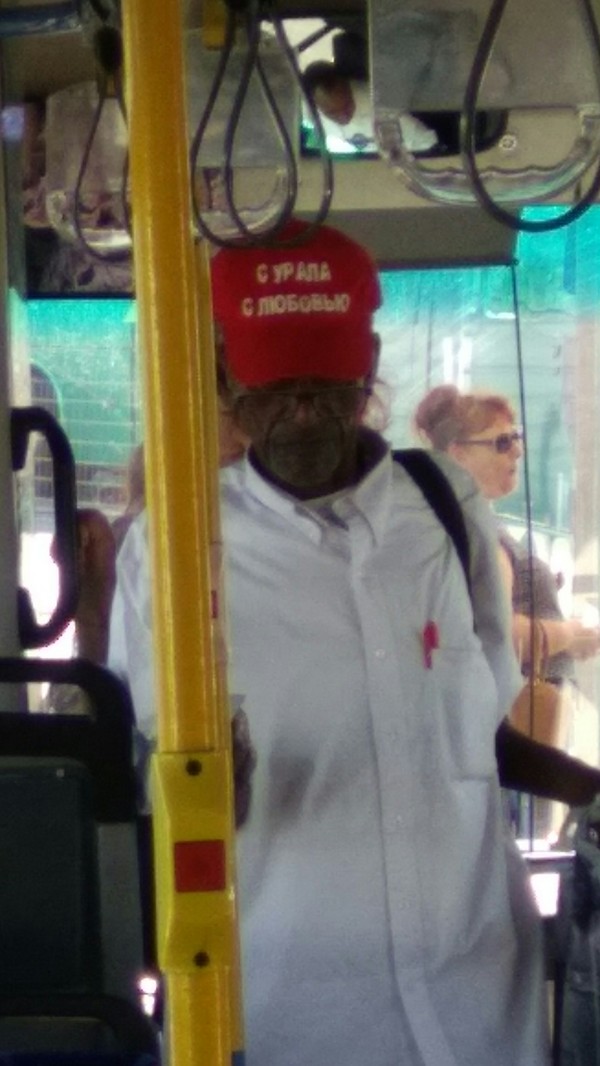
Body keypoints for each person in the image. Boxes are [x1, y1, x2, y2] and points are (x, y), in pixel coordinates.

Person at [102, 218, 600, 1066]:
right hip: (285, 1014)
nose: (300, 417)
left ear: (367, 368)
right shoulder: (177, 548)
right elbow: (138, 782)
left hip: (482, 999)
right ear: (225, 377)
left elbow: (478, 735)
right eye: (271, 390)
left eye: (325, 389)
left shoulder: (444, 509)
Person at [414, 384, 600, 837]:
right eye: (501, 442)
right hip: (514, 727)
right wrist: (570, 635)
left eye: (516, 438)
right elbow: (494, 633)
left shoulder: (475, 528)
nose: (515, 451)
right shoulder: (476, 537)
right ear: (457, 454)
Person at [301, 59, 438, 154]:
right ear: (315, 105)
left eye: (347, 106)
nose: (343, 116)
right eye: (332, 113)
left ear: (349, 87)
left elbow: (427, 143)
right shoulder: (302, 113)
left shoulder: (382, 107)